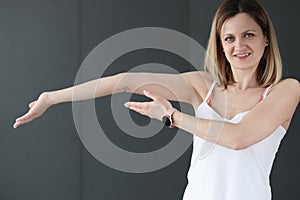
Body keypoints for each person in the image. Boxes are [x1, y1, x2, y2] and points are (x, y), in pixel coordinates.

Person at [14, 0, 299, 199]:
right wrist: (51, 98)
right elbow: (123, 81)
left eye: (248, 35)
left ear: (265, 39)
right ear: (221, 44)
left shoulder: (284, 91)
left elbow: (238, 138)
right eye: (229, 38)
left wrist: (173, 117)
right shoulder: (203, 85)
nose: (239, 46)